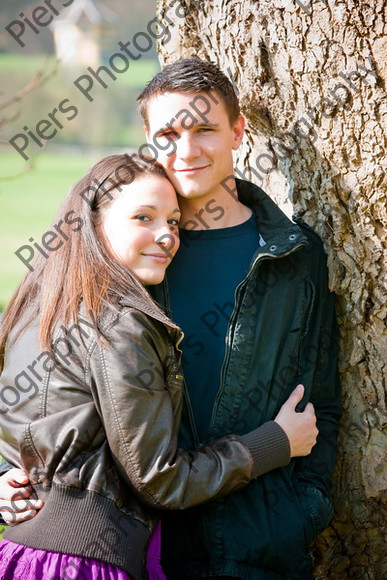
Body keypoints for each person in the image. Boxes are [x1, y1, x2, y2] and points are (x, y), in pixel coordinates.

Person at [0, 58, 341, 579]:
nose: (187, 150)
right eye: (168, 133)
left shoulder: (293, 254)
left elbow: (323, 396)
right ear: (148, 141)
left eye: (204, 128)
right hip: (140, 543)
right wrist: (8, 474)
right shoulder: (122, 255)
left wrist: (306, 504)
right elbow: (44, 383)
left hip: (260, 536)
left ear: (237, 131)